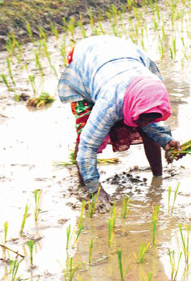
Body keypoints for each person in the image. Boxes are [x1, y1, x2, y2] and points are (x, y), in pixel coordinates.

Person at [57, 35, 183, 207]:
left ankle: (157, 175)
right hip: (87, 60)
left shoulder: (151, 86)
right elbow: (88, 146)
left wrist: (166, 141)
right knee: (85, 130)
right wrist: (96, 189)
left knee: (146, 128)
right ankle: (86, 187)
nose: (146, 124)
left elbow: (151, 121)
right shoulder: (109, 103)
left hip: (123, 54)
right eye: (145, 119)